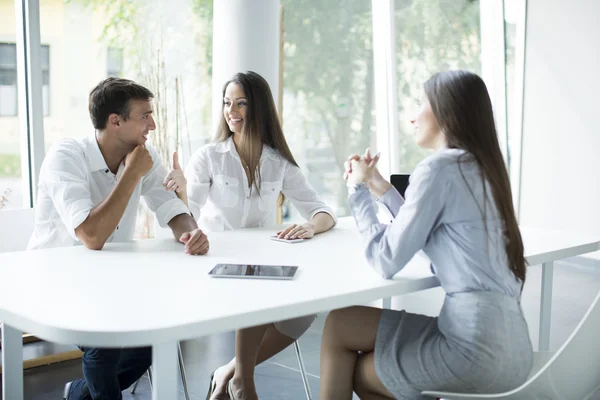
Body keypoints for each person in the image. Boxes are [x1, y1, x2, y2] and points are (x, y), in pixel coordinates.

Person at [319, 70, 533, 399]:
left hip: (473, 352)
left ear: (445, 110)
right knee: (343, 327)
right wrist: (378, 186)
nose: (412, 117)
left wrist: (357, 189)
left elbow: (385, 259)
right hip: (516, 351)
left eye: (420, 103)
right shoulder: (484, 168)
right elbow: (425, 234)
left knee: (359, 363)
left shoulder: (438, 168)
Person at [28, 77, 210, 400]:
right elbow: (91, 235)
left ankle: (81, 394)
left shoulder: (143, 154)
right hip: (52, 283)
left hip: (108, 282)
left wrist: (191, 231)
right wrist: (130, 174)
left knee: (159, 332)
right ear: (115, 121)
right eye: (144, 116)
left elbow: (170, 207)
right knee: (104, 341)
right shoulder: (66, 157)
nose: (152, 124)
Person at [163, 71, 336, 400]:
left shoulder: (278, 163)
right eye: (227, 103)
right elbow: (188, 216)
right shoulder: (208, 158)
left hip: (258, 267)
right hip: (211, 265)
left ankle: (230, 372)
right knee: (257, 291)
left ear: (259, 109)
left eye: (241, 103)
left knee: (303, 312)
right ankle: (243, 381)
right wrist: (182, 192)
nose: (231, 111)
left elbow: (322, 211)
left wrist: (311, 225)